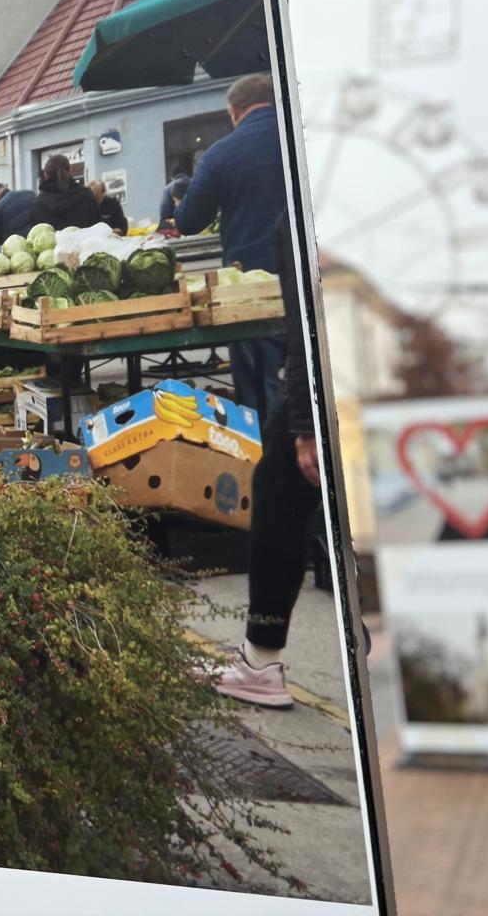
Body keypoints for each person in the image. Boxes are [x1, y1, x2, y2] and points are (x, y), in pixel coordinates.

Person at [215, 212, 319, 708]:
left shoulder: (300, 215)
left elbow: (309, 320)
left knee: (279, 492)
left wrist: (305, 423)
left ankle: (260, 662)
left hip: (324, 393)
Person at [174, 74, 288, 421]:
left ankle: (267, 446)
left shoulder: (221, 154)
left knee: (261, 386)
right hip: (317, 274)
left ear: (233, 112)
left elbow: (188, 221)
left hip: (252, 285)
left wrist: (181, 202)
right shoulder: (302, 136)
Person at [32, 154, 99, 231]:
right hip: (85, 238)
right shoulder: (86, 195)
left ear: (45, 175)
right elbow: (97, 227)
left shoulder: (38, 202)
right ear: (70, 170)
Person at [159, 157, 193, 230]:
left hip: (177, 221)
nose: (175, 203)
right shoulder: (194, 183)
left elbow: (164, 211)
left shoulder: (169, 188)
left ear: (173, 177)